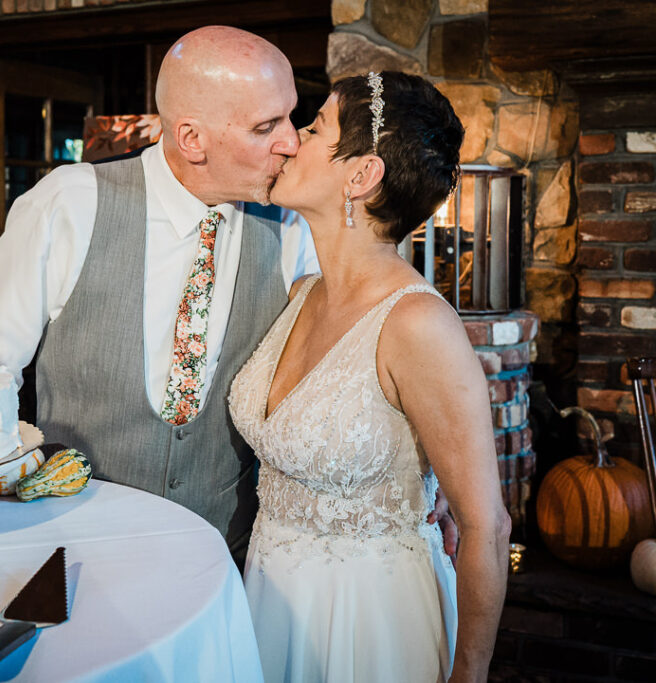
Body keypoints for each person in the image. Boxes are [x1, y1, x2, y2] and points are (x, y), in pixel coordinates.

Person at [0, 26, 455, 564]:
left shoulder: (294, 225)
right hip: (75, 551)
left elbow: (367, 336)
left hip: (230, 563)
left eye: (293, 117)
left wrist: (434, 457)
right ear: (192, 139)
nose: (290, 142)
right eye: (267, 126)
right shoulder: (69, 205)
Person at [229, 72, 510, 682]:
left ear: (361, 175)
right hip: (267, 602)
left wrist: (469, 675)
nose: (288, 141)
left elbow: (486, 525)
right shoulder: (302, 293)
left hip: (367, 622)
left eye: (312, 128)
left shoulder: (417, 325)